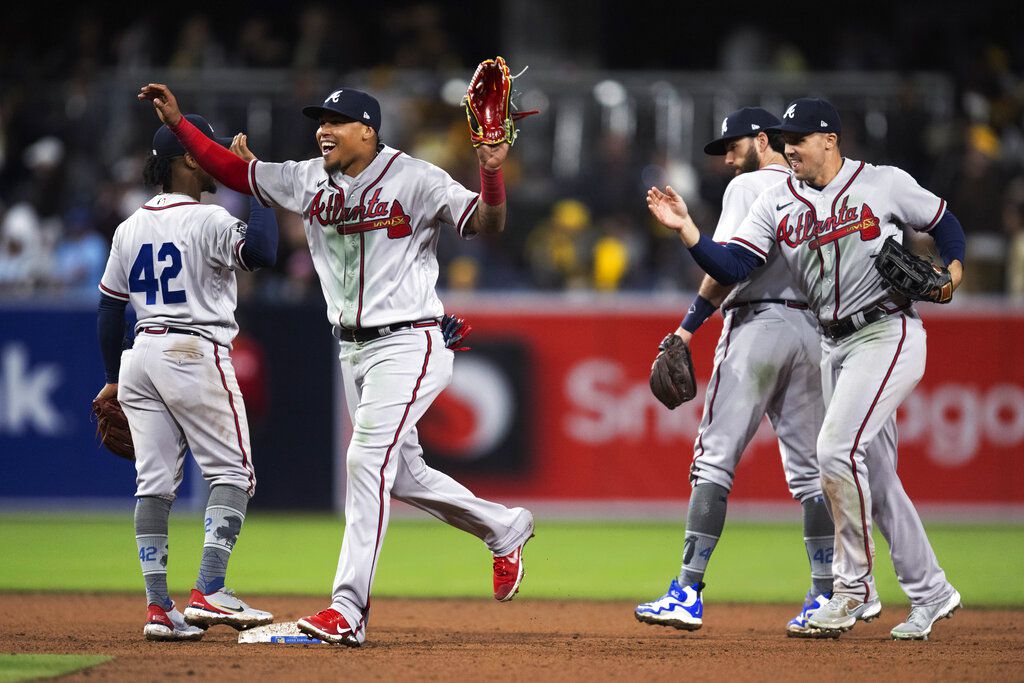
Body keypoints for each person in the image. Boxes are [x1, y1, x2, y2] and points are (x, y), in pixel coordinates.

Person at [138, 83, 535, 647]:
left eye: (337, 121)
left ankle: (348, 609)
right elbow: (232, 171)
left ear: (368, 130)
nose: (323, 129)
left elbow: (487, 222)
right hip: (352, 349)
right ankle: (504, 527)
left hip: (409, 341)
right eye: (320, 120)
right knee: (403, 473)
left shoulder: (415, 178)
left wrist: (492, 172)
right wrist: (182, 126)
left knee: (365, 460)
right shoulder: (305, 179)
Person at [647, 98, 964, 641]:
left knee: (834, 451)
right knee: (877, 479)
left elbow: (943, 221)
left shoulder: (882, 182)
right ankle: (932, 592)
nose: (790, 146)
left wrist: (953, 270)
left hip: (887, 330)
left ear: (830, 140)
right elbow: (734, 265)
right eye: (784, 137)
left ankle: (850, 592)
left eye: (799, 137)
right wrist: (689, 232)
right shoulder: (778, 200)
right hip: (828, 342)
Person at [635, 108, 835, 637]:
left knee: (714, 461)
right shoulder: (817, 189)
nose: (727, 158)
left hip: (757, 328)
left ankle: (686, 592)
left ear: (763, 139)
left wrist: (687, 232)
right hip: (814, 332)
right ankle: (825, 596)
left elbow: (726, 268)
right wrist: (687, 328)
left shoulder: (751, 188)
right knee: (813, 473)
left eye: (734, 145)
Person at [96, 115, 279, 640]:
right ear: (189, 160)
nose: (217, 156)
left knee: (152, 484)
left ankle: (159, 609)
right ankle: (210, 589)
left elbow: (109, 311)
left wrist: (112, 376)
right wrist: (256, 182)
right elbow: (263, 254)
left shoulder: (129, 227)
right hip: (194, 348)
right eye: (208, 149)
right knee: (234, 473)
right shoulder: (210, 219)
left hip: (141, 353)